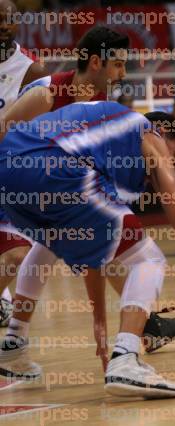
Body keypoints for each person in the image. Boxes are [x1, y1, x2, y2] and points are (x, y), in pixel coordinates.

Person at [0, 101, 175, 398]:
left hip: (9, 167)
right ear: (164, 131)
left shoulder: (105, 143)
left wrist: (99, 317)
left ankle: (14, 339)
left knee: (49, 242)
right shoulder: (149, 135)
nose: (174, 163)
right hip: (50, 161)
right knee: (149, 258)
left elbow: (96, 255)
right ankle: (126, 359)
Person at [0, 26, 175, 352]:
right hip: (14, 178)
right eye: (118, 64)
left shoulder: (101, 101)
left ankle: (17, 335)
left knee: (71, 238)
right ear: (95, 62)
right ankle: (144, 325)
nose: (123, 73)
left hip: (51, 186)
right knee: (30, 249)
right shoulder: (46, 95)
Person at [0, 0, 47, 327]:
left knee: (19, 252)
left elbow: (38, 127)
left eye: (10, 19)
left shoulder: (32, 69)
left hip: (11, 170)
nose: (4, 24)